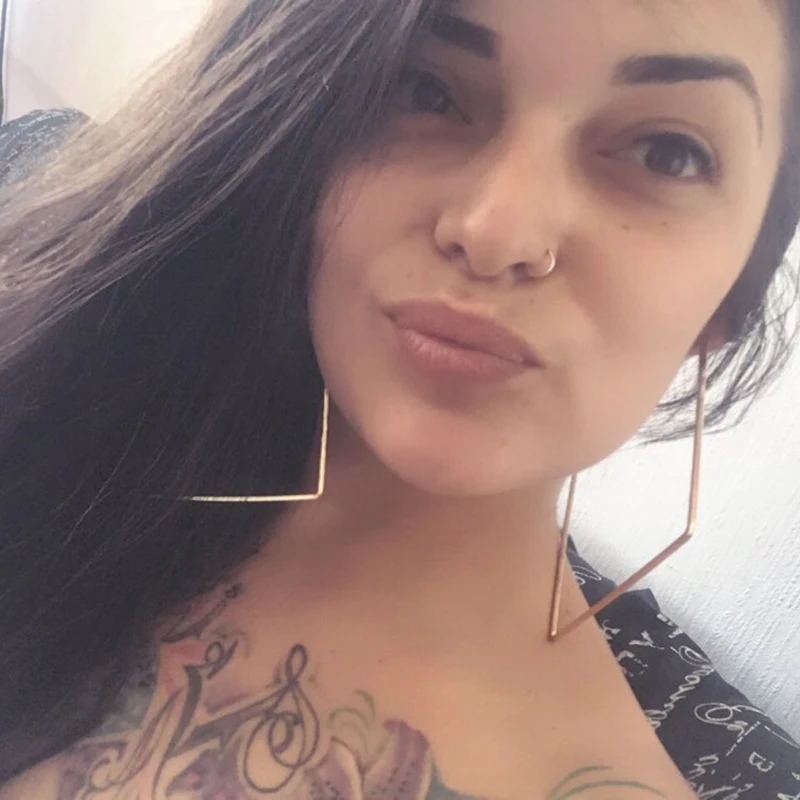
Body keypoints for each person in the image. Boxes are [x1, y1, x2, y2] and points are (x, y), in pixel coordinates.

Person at [0, 0, 799, 797]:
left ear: (735, 291)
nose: (495, 232)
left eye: (666, 154)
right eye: (424, 91)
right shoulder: (59, 353)